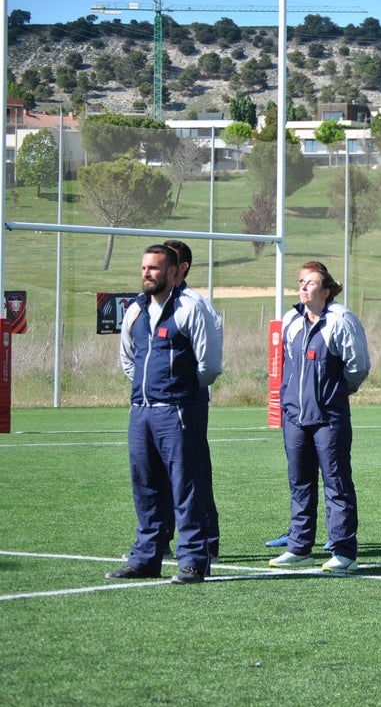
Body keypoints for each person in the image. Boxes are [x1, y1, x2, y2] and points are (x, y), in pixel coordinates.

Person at [109, 244, 222, 584]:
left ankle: (193, 561)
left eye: (155, 268)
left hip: (178, 412)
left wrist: (177, 391)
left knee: (186, 487)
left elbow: (210, 366)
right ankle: (145, 558)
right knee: (145, 487)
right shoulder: (135, 310)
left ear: (174, 272)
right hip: (141, 412)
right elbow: (128, 360)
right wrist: (150, 390)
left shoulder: (193, 307)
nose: (147, 273)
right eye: (144, 267)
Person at [268, 262, 369, 573]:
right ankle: (299, 547)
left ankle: (343, 552)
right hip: (295, 418)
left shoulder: (341, 320)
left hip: (328, 418)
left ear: (326, 291)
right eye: (300, 281)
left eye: (310, 283)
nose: (303, 287)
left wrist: (333, 393)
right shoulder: (291, 319)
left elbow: (358, 367)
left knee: (336, 484)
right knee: (300, 483)